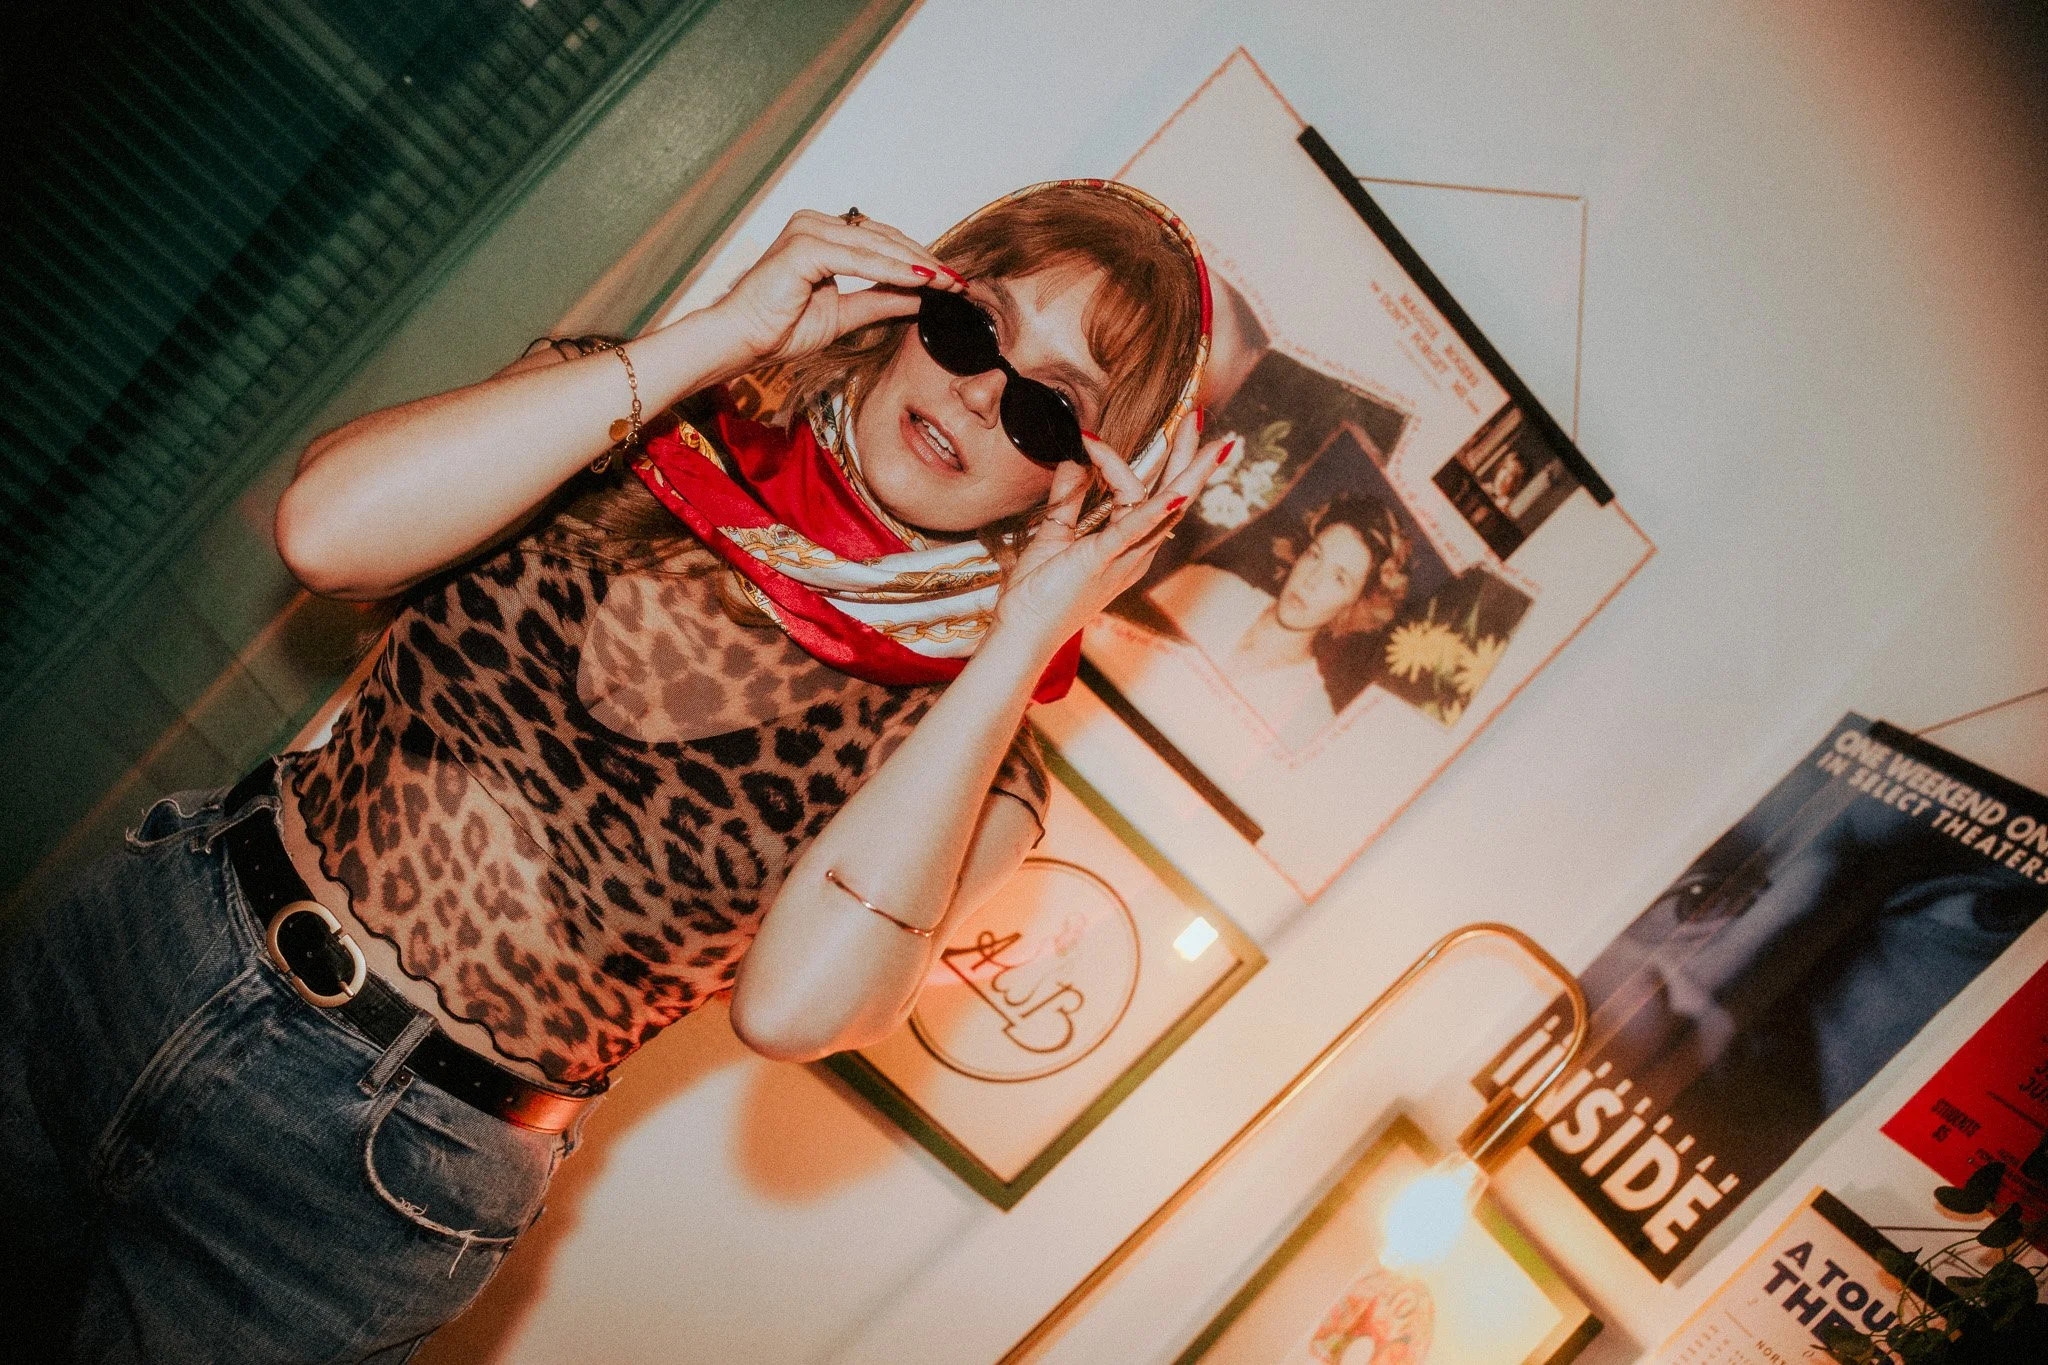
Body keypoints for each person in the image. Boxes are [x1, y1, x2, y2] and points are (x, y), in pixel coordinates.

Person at [0, 180, 1216, 1362]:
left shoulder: (978, 763)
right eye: (970, 327)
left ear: (1086, 483)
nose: (978, 391)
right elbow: (326, 532)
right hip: (152, 941)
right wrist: (722, 336)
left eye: (1048, 410)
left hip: (370, 1179)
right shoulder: (631, 420)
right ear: (910, 300)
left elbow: (794, 1010)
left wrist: (1014, 646)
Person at [1145, 491, 1409, 749]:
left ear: (1356, 605)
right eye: (1315, 555)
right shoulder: (1208, 586)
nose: (1312, 580)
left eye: (1339, 578)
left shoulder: (1309, 717)